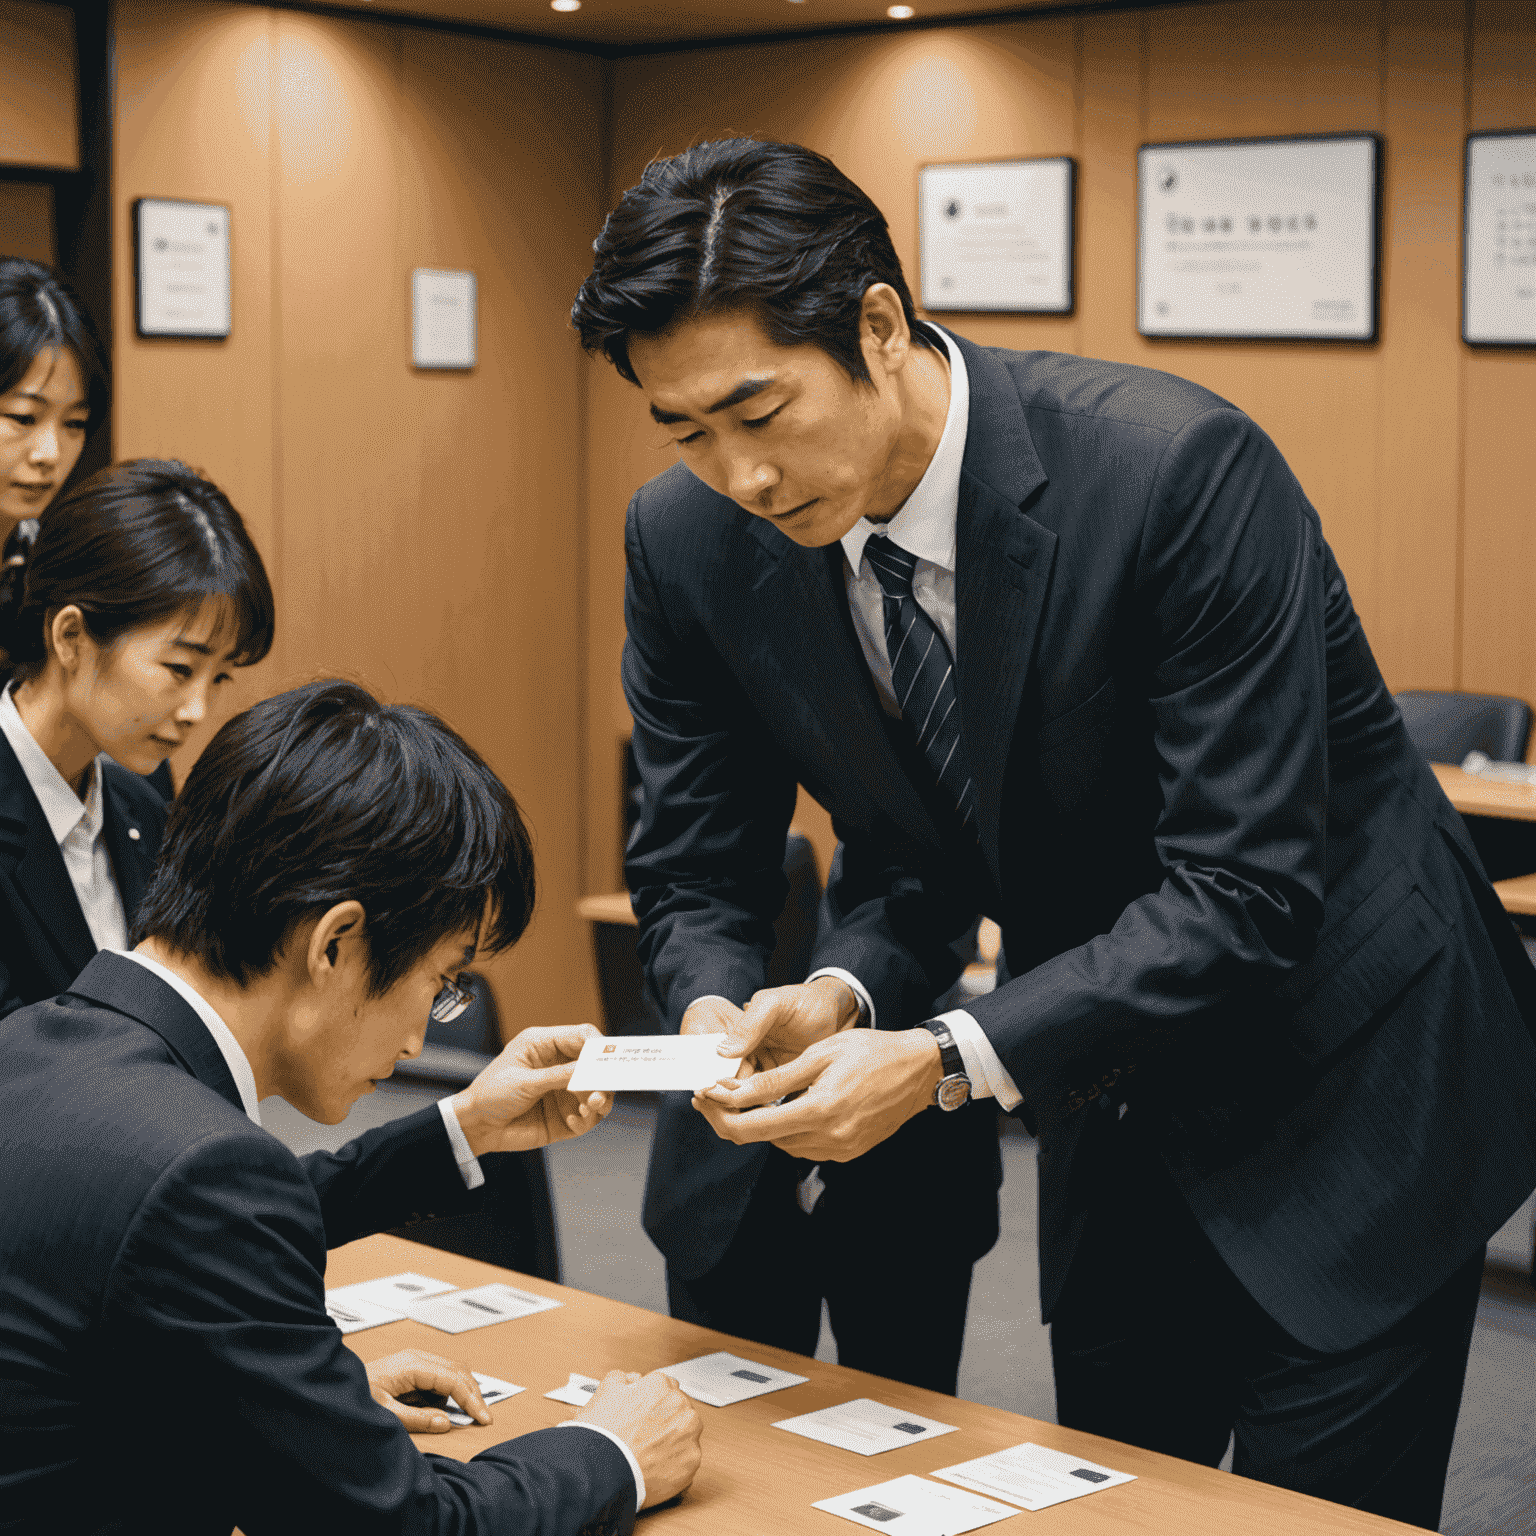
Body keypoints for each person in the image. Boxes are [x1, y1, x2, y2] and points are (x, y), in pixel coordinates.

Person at [571, 138, 1536, 1528]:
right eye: (685, 433)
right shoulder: (688, 545)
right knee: (1112, 1492)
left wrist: (942, 1060)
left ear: (881, 326)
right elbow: (707, 861)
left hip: (1356, 1068)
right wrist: (745, 1003)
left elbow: (1245, 890)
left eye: (759, 412)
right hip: (1099, 1063)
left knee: (1315, 1517)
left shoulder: (1174, 473)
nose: (743, 479)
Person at [0, 678, 704, 1535]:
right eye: (443, 982)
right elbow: (413, 1527)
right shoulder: (203, 1173)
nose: (419, 1040)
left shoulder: (33, 1044)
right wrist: (612, 1451)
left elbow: (134, 1271)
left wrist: (465, 1126)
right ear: (335, 943)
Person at [0, 458, 269, 1019]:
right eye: (179, 668)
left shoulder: (143, 802)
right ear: (71, 636)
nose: (198, 711)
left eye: (218, 678)